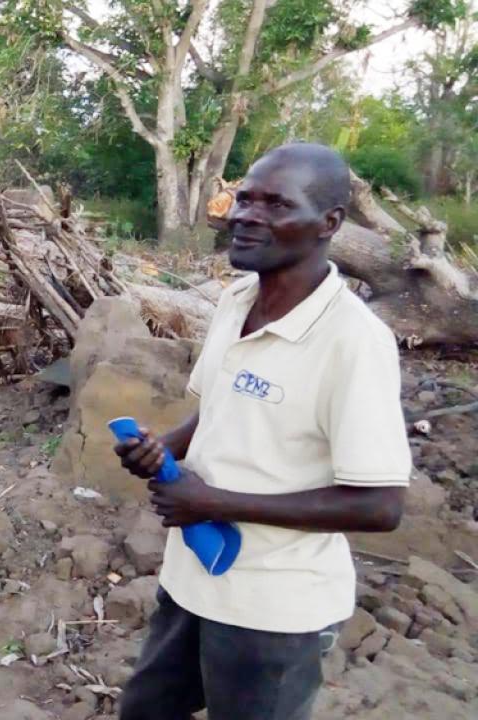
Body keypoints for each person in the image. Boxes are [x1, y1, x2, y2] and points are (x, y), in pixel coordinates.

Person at [113, 143, 411, 720]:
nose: (246, 214)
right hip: (194, 575)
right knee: (146, 711)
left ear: (330, 224)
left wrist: (214, 501)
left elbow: (379, 506)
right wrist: (160, 448)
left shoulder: (354, 343)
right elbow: (218, 413)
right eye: (244, 198)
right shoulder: (236, 299)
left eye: (276, 204)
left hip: (274, 607)